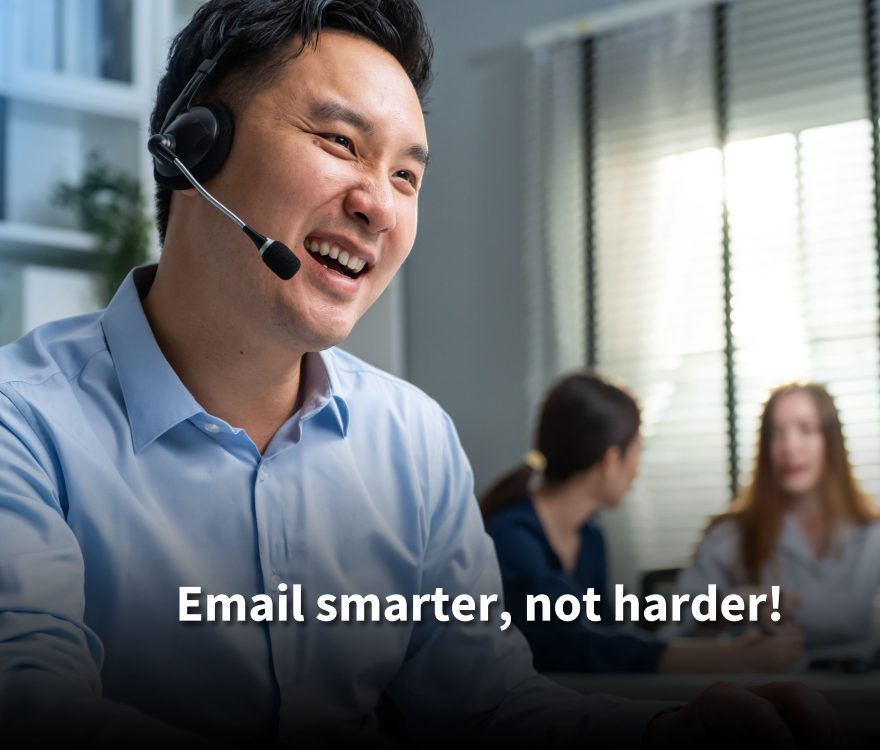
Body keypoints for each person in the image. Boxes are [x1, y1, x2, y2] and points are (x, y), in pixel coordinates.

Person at [0, 1, 837, 747]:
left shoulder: (413, 440)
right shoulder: (23, 424)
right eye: (339, 143)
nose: (380, 204)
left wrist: (669, 732)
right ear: (193, 150)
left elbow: (487, 706)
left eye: (406, 174)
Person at [481, 371, 803, 675]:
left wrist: (716, 608)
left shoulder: (590, 536)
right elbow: (573, 647)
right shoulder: (511, 539)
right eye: (637, 451)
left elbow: (606, 633)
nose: (637, 468)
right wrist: (734, 657)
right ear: (610, 461)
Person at [676, 382, 880, 648]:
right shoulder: (731, 533)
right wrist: (725, 607)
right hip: (763, 690)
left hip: (864, 694)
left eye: (806, 429)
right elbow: (677, 622)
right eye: (776, 433)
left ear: (831, 442)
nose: (790, 447)